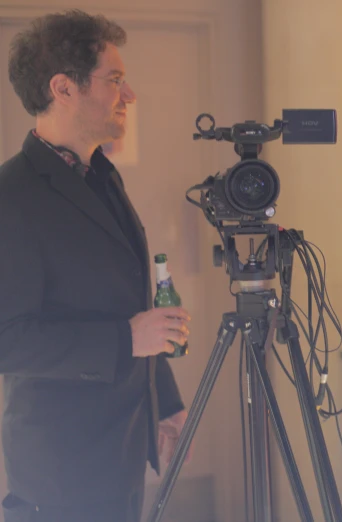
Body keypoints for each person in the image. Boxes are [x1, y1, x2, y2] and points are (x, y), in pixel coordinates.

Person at [0, 10, 191, 522]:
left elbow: (130, 307)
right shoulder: (10, 195)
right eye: (115, 80)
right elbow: (7, 338)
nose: (129, 96)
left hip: (123, 457)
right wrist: (126, 340)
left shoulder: (102, 176)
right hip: (61, 475)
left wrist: (164, 400)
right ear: (64, 88)